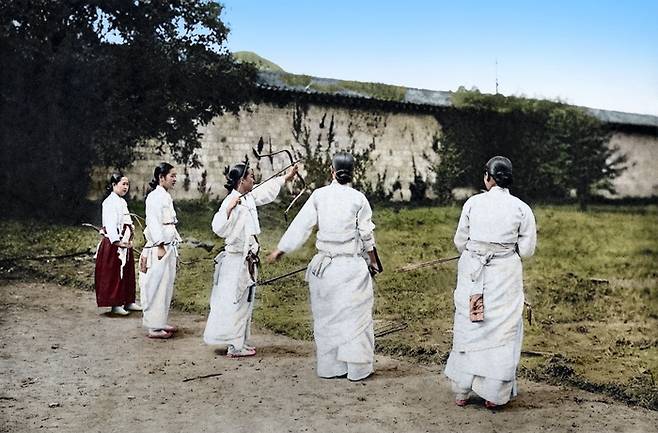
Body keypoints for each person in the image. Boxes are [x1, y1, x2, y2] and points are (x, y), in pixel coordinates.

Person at [267, 152, 380, 381]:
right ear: (353, 173)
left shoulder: (320, 195)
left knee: (327, 318)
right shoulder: (359, 198)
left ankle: (331, 368)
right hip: (351, 268)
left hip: (326, 270)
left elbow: (302, 224)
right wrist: (375, 262)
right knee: (354, 318)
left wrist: (282, 249)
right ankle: (356, 369)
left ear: (332, 171)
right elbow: (367, 235)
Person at [444, 156, 537, 409]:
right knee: (500, 328)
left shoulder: (473, 203)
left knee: (470, 325)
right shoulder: (521, 208)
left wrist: (480, 250)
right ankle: (493, 395)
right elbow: (527, 250)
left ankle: (462, 391)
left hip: (473, 270)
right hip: (504, 273)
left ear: (488, 177)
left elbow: (460, 241)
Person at [203, 160, 298, 357]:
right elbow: (218, 227)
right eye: (251, 176)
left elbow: (265, 191)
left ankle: (240, 341)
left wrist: (285, 178)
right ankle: (235, 346)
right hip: (236, 260)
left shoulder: (247, 197)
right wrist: (229, 209)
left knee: (246, 301)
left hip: (247, 259)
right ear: (241, 181)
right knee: (237, 300)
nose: (254, 179)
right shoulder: (231, 200)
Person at [139, 162, 181, 339]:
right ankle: (154, 326)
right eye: (171, 176)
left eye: (175, 176)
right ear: (161, 177)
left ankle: (161, 320)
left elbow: (170, 222)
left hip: (169, 244)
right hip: (159, 247)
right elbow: (154, 223)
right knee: (156, 284)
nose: (174, 179)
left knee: (166, 284)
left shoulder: (165, 196)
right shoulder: (154, 197)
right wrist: (160, 245)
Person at [94, 173, 142, 315]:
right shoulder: (109, 202)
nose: (126, 187)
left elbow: (127, 220)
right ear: (114, 185)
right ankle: (115, 304)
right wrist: (117, 242)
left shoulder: (122, 202)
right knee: (114, 273)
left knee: (127, 271)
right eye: (123, 184)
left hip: (124, 241)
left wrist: (129, 235)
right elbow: (110, 224)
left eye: (127, 184)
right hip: (114, 243)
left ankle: (128, 301)